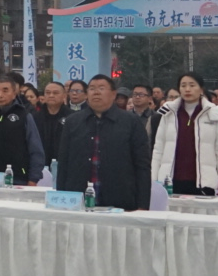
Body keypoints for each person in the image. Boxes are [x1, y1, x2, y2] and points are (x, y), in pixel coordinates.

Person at [56, 75, 152, 210]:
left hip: (120, 202)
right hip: (78, 201)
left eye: (101, 88)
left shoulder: (131, 122)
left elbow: (142, 166)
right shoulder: (73, 121)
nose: (96, 92)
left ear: (113, 94)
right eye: (92, 89)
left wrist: (142, 205)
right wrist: (61, 199)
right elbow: (63, 163)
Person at [149, 72, 218, 196]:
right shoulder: (168, 112)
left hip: (203, 181)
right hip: (170, 180)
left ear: (201, 89)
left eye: (192, 85)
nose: (187, 89)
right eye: (183, 86)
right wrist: (153, 178)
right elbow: (158, 149)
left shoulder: (214, 113)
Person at [34, 82, 70, 170]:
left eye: (55, 93)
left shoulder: (72, 117)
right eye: (48, 92)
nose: (51, 95)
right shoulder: (35, 117)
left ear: (64, 95)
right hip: (40, 164)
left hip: (65, 164)